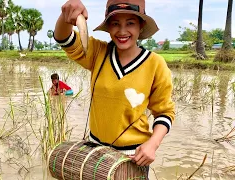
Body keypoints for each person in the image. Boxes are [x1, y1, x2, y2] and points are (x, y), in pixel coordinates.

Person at [54, 0, 175, 171]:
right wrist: (65, 15)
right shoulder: (97, 52)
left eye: (130, 23)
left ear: (141, 26)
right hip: (95, 153)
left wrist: (152, 145)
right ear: (109, 27)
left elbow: (164, 112)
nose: (122, 31)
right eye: (115, 23)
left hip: (133, 157)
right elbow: (64, 38)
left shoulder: (155, 64)